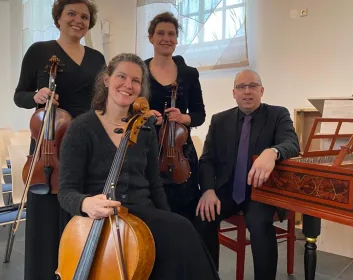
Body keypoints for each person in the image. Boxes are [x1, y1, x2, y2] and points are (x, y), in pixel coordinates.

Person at [57, 53, 220, 280]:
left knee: (182, 232)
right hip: (101, 217)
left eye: (136, 81)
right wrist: (86, 203)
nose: (128, 85)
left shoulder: (144, 128)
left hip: (142, 214)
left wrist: (168, 219)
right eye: (121, 77)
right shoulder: (81, 128)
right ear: (106, 79)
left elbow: (154, 184)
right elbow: (66, 192)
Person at [13, 1, 106, 279]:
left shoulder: (97, 58)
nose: (78, 20)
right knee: (46, 217)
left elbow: (101, 102)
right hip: (48, 146)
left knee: (81, 213)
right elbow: (20, 95)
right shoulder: (38, 51)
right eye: (72, 14)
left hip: (86, 143)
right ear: (58, 18)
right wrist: (36, 97)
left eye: (85, 16)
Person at [194, 70, 300, 279]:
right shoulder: (219, 120)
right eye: (241, 87)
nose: (247, 92)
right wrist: (208, 190)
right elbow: (206, 160)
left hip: (261, 190)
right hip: (228, 189)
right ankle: (209, 274)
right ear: (234, 93)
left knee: (260, 225)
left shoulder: (278, 114)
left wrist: (272, 152)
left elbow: (292, 144)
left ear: (262, 90)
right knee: (202, 217)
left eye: (252, 86)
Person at [144, 12, 206, 222]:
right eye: (160, 33)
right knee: (152, 211)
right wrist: (145, 114)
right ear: (150, 37)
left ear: (177, 39)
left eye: (171, 34)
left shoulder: (189, 74)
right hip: (148, 150)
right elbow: (129, 109)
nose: (166, 38)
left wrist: (183, 118)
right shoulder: (140, 71)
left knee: (184, 212)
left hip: (181, 153)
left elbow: (200, 115)